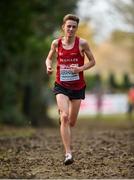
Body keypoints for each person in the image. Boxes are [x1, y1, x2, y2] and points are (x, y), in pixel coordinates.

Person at [45, 14, 96, 165]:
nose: (71, 29)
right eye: (69, 26)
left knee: (71, 122)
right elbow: (49, 58)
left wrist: (80, 68)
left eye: (74, 26)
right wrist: (48, 66)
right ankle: (68, 154)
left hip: (78, 87)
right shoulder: (56, 43)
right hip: (61, 85)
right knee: (65, 117)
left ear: (76, 28)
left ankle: (62, 119)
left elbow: (93, 61)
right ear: (63, 27)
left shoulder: (82, 44)